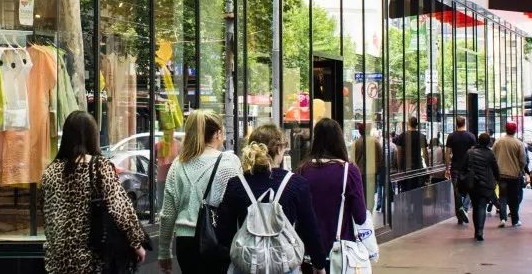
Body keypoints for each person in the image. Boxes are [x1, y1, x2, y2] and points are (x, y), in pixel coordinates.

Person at [41, 111, 147, 274]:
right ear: (93, 136)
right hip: (90, 258)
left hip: (58, 259)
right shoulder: (99, 167)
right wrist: (136, 243)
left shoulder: (50, 171)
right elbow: (120, 208)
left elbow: (46, 212)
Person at [216, 125, 328, 274]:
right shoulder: (297, 184)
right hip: (285, 264)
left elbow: (224, 232)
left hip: (247, 265)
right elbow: (310, 230)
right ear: (279, 149)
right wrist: (319, 265)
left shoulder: (236, 184)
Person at [158, 109, 241, 273]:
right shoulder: (230, 162)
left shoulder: (178, 165)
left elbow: (167, 214)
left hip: (185, 243)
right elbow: (240, 205)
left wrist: (164, 252)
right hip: (219, 239)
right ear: (218, 134)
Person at [297, 119, 368, 261]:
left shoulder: (302, 170)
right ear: (339, 140)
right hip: (340, 252)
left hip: (307, 251)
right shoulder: (349, 171)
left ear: (315, 140)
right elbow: (360, 217)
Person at [464, 132, 499, 241]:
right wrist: (497, 180)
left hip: (473, 184)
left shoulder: (470, 152)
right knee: (482, 206)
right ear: (488, 142)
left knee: (475, 207)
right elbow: (495, 169)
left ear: (478, 141)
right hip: (485, 184)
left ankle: (476, 231)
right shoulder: (490, 153)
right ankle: (480, 231)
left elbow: (464, 167)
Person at [491, 122, 527, 228]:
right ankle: (515, 220)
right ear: (515, 131)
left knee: (502, 196)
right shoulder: (519, 143)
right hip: (514, 175)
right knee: (514, 198)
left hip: (501, 174)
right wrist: (520, 169)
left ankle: (502, 218)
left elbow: (492, 156)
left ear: (506, 129)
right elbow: (523, 160)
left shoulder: (498, 141)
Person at [445, 116, 477, 224]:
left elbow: (447, 153)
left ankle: (460, 215)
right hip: (468, 168)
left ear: (456, 124)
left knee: (457, 191)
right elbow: (474, 153)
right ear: (465, 123)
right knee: (469, 189)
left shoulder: (451, 136)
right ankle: (464, 209)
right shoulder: (471, 136)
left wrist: (447, 168)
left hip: (455, 167)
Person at [395, 116, 428, 192]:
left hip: (405, 168)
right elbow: (425, 154)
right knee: (418, 191)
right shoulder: (421, 136)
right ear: (416, 124)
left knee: (405, 191)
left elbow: (399, 154)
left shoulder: (402, 136)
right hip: (418, 167)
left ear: (408, 123)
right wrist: (428, 167)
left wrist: (399, 168)